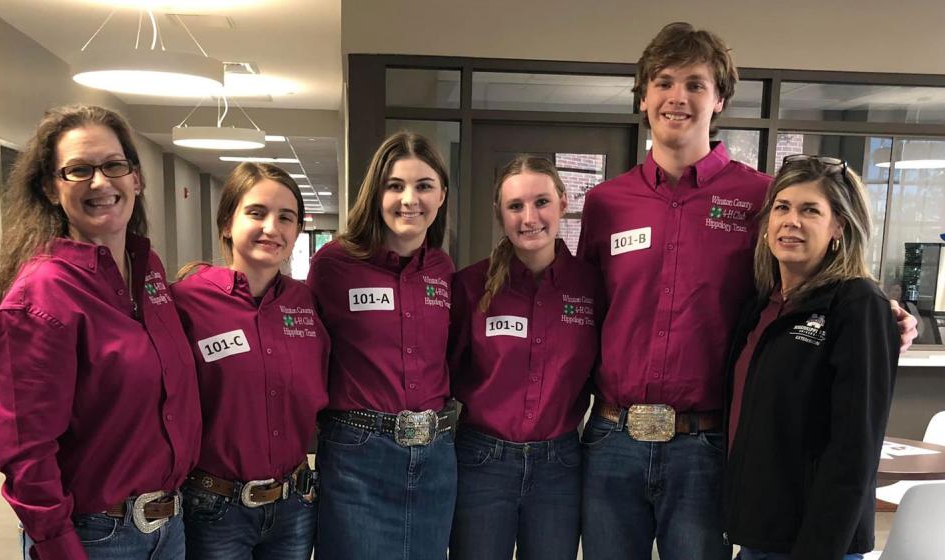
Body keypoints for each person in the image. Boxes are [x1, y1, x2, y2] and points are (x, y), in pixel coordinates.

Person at [577, 23, 916, 560]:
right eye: (663, 81)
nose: (677, 97)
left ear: (720, 99)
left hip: (706, 446)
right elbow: (581, 309)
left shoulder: (763, 198)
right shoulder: (605, 204)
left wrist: (881, 310)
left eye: (695, 83)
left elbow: (810, 276)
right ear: (643, 96)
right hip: (612, 439)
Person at [0, 105, 200, 559]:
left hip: (169, 526)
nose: (100, 183)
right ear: (50, 188)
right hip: (97, 537)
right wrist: (60, 548)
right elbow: (27, 455)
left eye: (114, 166)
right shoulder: (40, 299)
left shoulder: (148, 268)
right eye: (78, 170)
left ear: (135, 178)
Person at [723, 155, 898, 559]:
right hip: (759, 534)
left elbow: (855, 451)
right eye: (782, 207)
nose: (791, 221)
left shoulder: (859, 306)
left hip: (814, 543)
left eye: (810, 210)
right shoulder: (762, 307)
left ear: (839, 225)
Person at [307, 131, 455, 560]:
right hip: (359, 456)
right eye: (395, 186)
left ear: (441, 195)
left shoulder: (443, 269)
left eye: (424, 186)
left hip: (435, 456)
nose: (410, 199)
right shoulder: (334, 265)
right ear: (376, 193)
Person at [171, 162, 328, 559]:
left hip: (294, 505)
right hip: (215, 509)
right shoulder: (186, 302)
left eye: (286, 218)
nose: (272, 228)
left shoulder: (305, 303)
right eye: (256, 213)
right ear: (227, 223)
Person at [447, 156, 602, 559]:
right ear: (499, 213)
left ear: (563, 203)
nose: (529, 217)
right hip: (482, 461)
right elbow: (444, 370)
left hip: (560, 466)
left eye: (542, 202)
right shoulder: (470, 286)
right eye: (515, 206)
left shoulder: (590, 286)